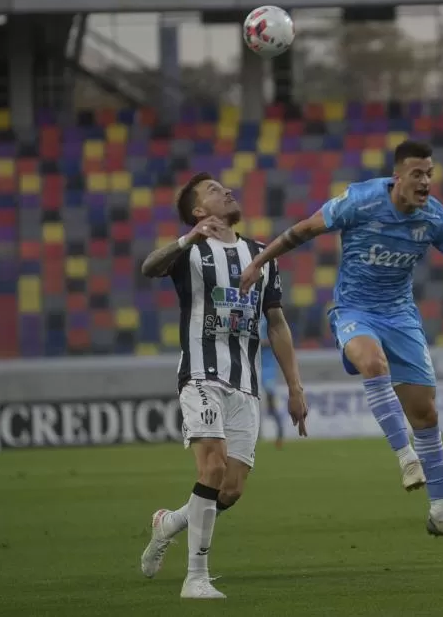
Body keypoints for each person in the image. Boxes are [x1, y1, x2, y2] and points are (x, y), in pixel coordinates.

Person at [238, 140, 443, 556]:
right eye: (417, 173)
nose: (426, 181)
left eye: (430, 173)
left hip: (401, 316)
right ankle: (406, 456)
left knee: (426, 412)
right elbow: (302, 230)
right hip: (355, 309)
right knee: (373, 363)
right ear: (397, 178)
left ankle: (442, 514)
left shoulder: (435, 217)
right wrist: (258, 262)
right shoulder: (360, 200)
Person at [137, 172, 308, 599]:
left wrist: (295, 387)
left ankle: (169, 523)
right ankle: (196, 577)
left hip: (245, 383)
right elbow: (148, 268)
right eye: (213, 190)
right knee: (210, 468)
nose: (226, 190)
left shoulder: (261, 254)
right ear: (198, 211)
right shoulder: (191, 250)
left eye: (225, 186)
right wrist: (185, 239)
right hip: (200, 373)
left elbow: (277, 323)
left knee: (229, 490)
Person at [259, 317, 285, 449]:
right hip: (254, 367)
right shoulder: (252, 313)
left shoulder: (269, 317)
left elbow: (277, 339)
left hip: (268, 368)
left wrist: (262, 343)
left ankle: (280, 435)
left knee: (271, 404)